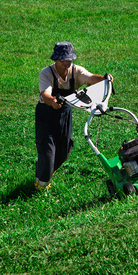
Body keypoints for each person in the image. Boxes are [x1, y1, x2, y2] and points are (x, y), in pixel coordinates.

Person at [34, 41, 109, 190]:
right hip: (46, 114)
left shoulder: (76, 71)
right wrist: (53, 102)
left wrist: (104, 79)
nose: (66, 63)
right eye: (63, 60)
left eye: (69, 60)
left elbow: (90, 78)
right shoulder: (46, 73)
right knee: (48, 152)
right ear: (55, 59)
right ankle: (40, 186)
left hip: (65, 113)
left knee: (64, 150)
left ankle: (45, 172)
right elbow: (45, 94)